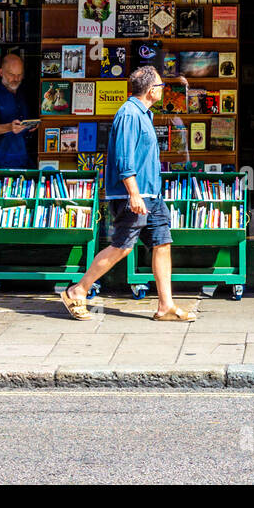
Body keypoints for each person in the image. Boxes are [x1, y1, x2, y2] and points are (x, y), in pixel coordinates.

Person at [60, 66, 195, 322]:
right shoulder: (130, 115)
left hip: (151, 194)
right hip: (133, 195)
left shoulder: (145, 114)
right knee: (122, 246)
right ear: (151, 89)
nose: (163, 90)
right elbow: (124, 159)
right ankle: (77, 290)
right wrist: (133, 194)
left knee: (162, 243)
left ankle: (165, 305)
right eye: (161, 86)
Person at [0, 53, 32, 169]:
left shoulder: (22, 94)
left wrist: (31, 126)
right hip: (2, 161)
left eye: (19, 75)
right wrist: (10, 127)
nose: (16, 79)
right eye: (12, 75)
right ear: (0, 72)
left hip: (24, 159)